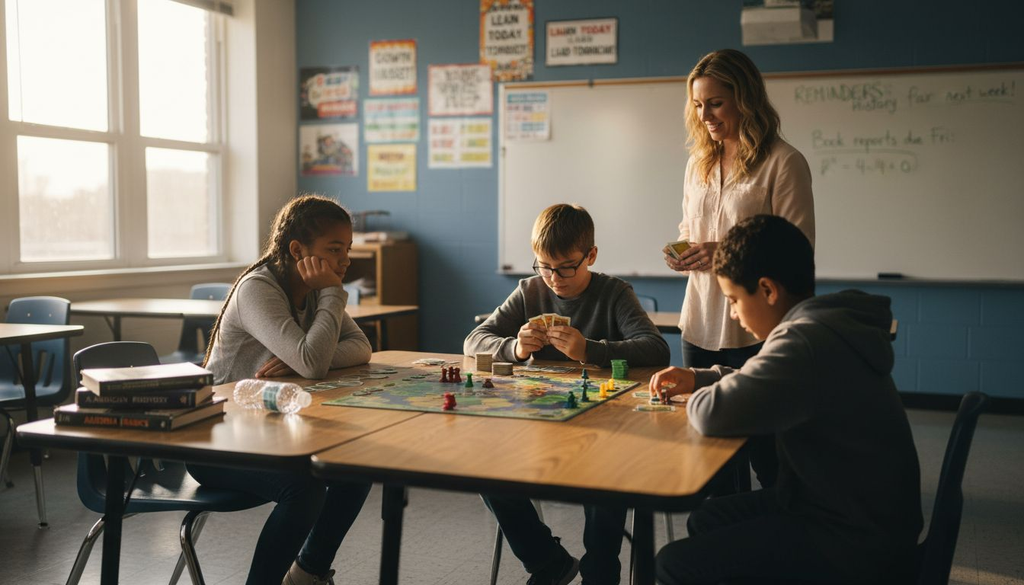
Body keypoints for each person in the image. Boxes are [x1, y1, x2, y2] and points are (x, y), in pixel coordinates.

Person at [650, 215, 922, 585]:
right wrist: (703, 376)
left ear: (767, 290)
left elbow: (713, 414)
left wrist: (702, 393)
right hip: (858, 511)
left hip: (851, 538)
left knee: (672, 563)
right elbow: (766, 381)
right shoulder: (822, 325)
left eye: (732, 300)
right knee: (707, 519)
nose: (733, 313)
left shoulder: (803, 342)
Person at [465, 203, 670, 585]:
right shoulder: (530, 290)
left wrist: (590, 350)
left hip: (602, 424)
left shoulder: (613, 293)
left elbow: (656, 349)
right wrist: (516, 348)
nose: (554, 278)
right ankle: (547, 561)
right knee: (482, 466)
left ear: (590, 255)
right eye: (544, 266)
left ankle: (600, 570)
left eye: (566, 267)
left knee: (608, 475)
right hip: (537, 423)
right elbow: (474, 339)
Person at [188, 194, 374, 585]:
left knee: (355, 468)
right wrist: (328, 302)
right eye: (334, 249)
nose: (345, 261)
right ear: (297, 250)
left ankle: (306, 574)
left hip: (269, 431)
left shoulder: (316, 289)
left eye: (348, 249)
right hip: (214, 439)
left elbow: (361, 348)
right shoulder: (259, 287)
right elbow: (313, 362)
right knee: (304, 490)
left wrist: (301, 356)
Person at [664, 48, 816, 487]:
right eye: (698, 104)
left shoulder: (783, 162)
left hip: (756, 326)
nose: (705, 115)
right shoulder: (699, 163)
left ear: (744, 99)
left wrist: (726, 254)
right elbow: (691, 227)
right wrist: (684, 252)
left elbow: (797, 251)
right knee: (712, 459)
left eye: (715, 102)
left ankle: (774, 543)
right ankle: (724, 543)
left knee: (768, 458)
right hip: (700, 323)